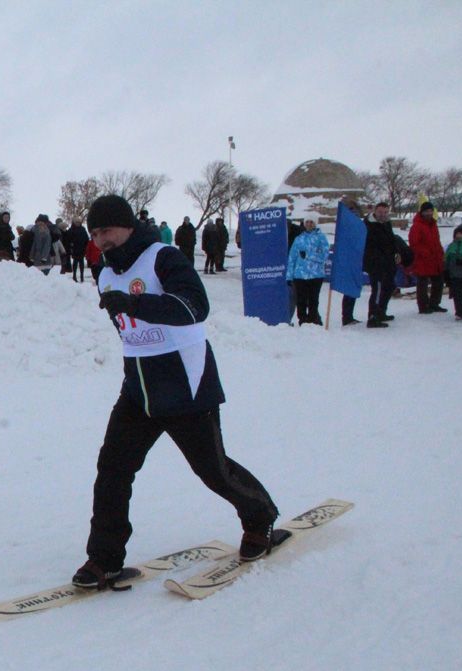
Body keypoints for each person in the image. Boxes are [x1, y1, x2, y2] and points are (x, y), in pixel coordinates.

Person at [74, 195, 279, 589]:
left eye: (107, 230)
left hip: (186, 384)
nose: (101, 240)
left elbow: (194, 308)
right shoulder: (103, 272)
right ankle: (104, 560)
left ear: (128, 225)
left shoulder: (162, 256)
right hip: (138, 389)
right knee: (112, 471)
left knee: (213, 470)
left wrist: (135, 304)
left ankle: (259, 518)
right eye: (95, 233)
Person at [286, 214, 328, 325]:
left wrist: (309, 255)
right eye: (307, 222)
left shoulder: (321, 237)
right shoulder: (299, 238)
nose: (309, 224)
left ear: (315, 224)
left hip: (316, 275)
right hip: (299, 275)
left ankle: (313, 319)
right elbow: (292, 258)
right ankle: (302, 320)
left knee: (313, 299)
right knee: (301, 300)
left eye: (311, 222)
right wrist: (289, 276)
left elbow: (324, 255)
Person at [362, 203, 397, 328]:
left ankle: (381, 312)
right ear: (375, 212)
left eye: (385, 212)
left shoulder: (387, 223)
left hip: (388, 262)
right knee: (377, 290)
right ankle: (372, 317)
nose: (383, 215)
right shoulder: (368, 224)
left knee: (389, 287)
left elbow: (391, 240)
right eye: (381, 212)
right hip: (375, 263)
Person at [408, 202, 446, 313]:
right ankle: (423, 306)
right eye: (426, 211)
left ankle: (434, 303)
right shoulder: (417, 226)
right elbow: (414, 243)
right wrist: (425, 253)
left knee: (438, 282)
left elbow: (437, 241)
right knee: (422, 284)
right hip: (423, 259)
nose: (429, 213)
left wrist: (440, 253)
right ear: (422, 212)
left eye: (430, 211)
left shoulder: (433, 224)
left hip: (435, 258)